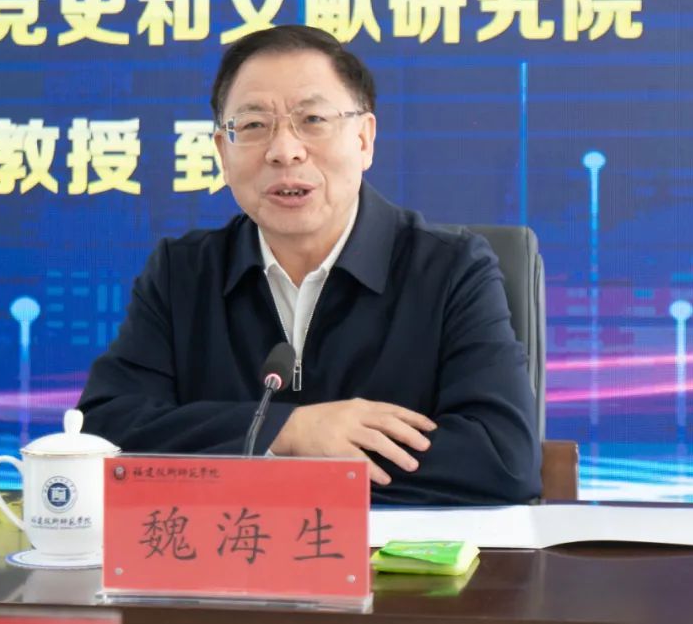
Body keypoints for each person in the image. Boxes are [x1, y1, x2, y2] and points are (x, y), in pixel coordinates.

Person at [79, 25, 541, 505]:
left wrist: (263, 466)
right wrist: (287, 431)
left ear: (364, 139)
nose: (285, 151)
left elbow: (502, 458)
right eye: (253, 126)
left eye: (313, 119)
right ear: (222, 152)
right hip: (229, 548)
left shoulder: (450, 270)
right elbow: (103, 435)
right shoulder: (183, 274)